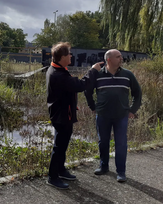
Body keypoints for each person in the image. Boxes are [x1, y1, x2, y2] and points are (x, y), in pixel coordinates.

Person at [46, 42, 102, 189]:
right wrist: (93, 70)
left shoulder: (57, 69)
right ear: (62, 57)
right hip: (61, 115)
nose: (71, 56)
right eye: (69, 54)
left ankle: (61, 170)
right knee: (59, 146)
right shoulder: (58, 74)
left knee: (62, 144)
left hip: (63, 113)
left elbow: (67, 89)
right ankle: (52, 177)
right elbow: (80, 85)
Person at [84, 49, 142, 182]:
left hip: (121, 115)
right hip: (103, 115)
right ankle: (103, 166)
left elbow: (137, 93)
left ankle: (121, 171)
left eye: (121, 56)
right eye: (118, 57)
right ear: (108, 60)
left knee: (121, 143)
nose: (121, 59)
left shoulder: (128, 75)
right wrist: (93, 107)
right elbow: (87, 91)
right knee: (103, 142)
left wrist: (133, 110)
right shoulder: (98, 75)